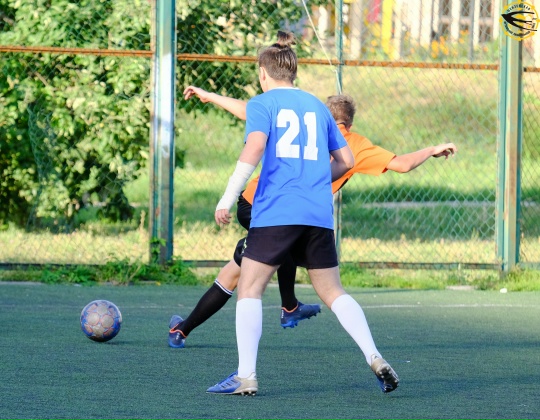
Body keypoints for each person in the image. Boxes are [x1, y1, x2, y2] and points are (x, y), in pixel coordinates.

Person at [169, 92, 457, 352]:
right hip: (273, 209)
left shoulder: (306, 122)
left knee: (235, 272)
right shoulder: (354, 144)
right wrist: (431, 149)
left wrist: (209, 96)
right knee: (280, 252)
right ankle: (289, 306)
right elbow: (403, 164)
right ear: (350, 123)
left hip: (255, 202)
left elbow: (248, 110)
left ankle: (181, 329)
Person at [204, 29, 396, 397]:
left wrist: (226, 198)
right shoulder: (318, 107)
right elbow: (346, 162)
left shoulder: (262, 103)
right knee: (333, 291)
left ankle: (246, 376)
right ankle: (373, 355)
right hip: (317, 213)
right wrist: (313, 180)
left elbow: (253, 149)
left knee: (250, 287)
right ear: (293, 72)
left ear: (263, 73)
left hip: (277, 210)